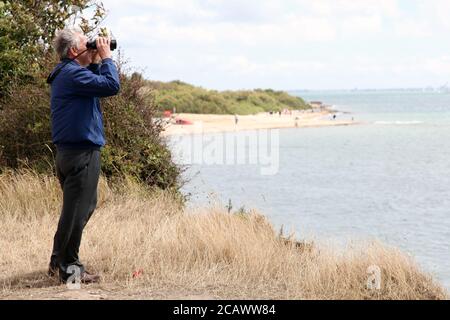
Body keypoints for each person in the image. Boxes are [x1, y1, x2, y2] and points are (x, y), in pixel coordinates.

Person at [47, 28, 120, 284]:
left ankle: (58, 262)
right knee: (77, 212)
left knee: (74, 210)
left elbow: (97, 87)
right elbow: (111, 86)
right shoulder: (71, 74)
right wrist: (107, 57)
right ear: (74, 51)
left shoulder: (69, 74)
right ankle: (70, 270)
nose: (91, 45)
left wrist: (96, 60)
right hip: (81, 154)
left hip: (70, 153)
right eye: (85, 43)